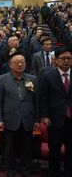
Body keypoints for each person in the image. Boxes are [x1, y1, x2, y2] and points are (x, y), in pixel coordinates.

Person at [0, 51, 40, 177]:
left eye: (22, 62)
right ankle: (10, 171)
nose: (20, 64)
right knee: (9, 149)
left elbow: (36, 101)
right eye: (16, 62)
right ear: (10, 64)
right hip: (9, 119)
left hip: (27, 119)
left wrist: (37, 120)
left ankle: (26, 170)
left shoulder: (33, 79)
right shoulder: (2, 79)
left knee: (27, 148)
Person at [39, 46, 72, 177]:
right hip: (54, 118)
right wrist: (44, 115)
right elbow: (43, 97)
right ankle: (54, 171)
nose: (66, 61)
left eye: (69, 58)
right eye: (63, 58)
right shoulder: (48, 75)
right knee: (55, 149)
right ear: (56, 60)